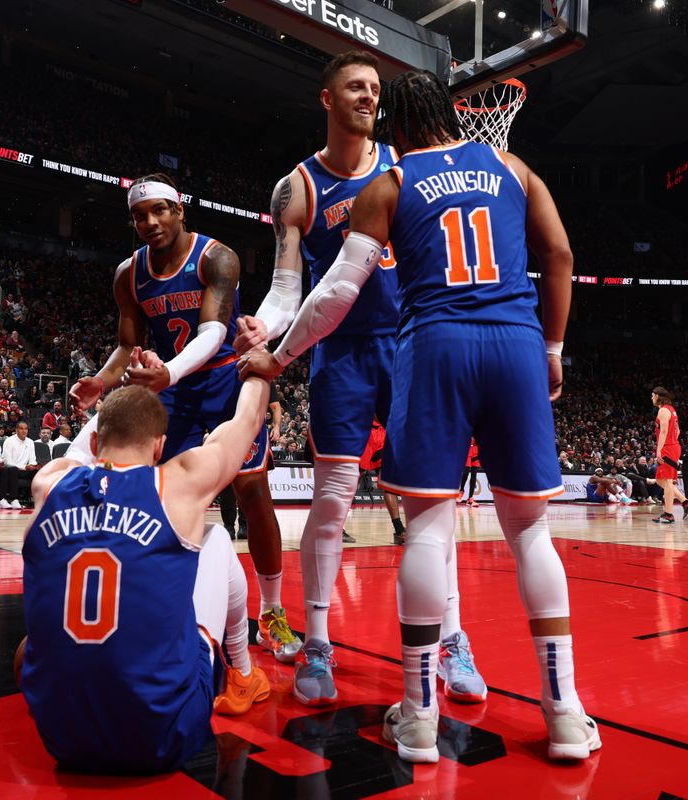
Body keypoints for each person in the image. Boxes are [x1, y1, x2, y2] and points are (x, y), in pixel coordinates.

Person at [240, 69, 600, 762]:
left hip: (429, 346)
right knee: (528, 532)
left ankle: (421, 713)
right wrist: (553, 349)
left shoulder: (393, 181)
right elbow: (558, 254)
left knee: (429, 527)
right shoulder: (508, 163)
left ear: (396, 123)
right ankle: (564, 712)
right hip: (506, 344)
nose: (369, 104)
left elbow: (338, 289)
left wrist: (277, 358)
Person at [234, 51, 484, 707]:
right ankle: (317, 644)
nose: (370, 97)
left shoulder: (406, 164)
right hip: (339, 350)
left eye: (376, 88)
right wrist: (262, 327)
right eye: (356, 87)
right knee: (332, 497)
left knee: (430, 504)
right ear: (326, 98)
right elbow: (288, 289)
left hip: (410, 345)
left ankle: (452, 639)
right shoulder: (297, 188)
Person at [68, 173, 300, 664]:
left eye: (159, 211)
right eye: (139, 214)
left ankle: (273, 612)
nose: (149, 222)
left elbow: (214, 331)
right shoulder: (128, 274)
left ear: (179, 212)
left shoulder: (216, 257)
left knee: (252, 492)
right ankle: (167, 603)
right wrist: (101, 381)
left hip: (223, 380)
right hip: (171, 390)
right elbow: (128, 346)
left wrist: (167, 373)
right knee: (162, 497)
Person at [18, 383, 271, 773]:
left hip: (61, 741)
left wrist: (119, 389)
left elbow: (79, 455)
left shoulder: (48, 483)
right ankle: (243, 673)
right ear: (159, 445)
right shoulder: (177, 483)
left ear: (98, 436)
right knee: (216, 538)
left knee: (28, 648)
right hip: (164, 736)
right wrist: (258, 367)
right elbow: (247, 420)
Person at [651, 387, 688, 523]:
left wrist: (659, 450)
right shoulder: (671, 409)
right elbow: (678, 431)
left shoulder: (663, 410)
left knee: (667, 481)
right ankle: (686, 502)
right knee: (660, 480)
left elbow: (663, 432)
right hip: (672, 446)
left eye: (652, 396)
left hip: (668, 448)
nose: (651, 398)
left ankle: (668, 514)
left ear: (658, 396)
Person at [0, 421, 37, 509]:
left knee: (37, 471)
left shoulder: (30, 442)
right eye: (21, 428)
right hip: (11, 469)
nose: (24, 431)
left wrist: (32, 465)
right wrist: (24, 467)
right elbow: (7, 462)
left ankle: (36, 499)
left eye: (26, 429)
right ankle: (14, 499)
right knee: (13, 469)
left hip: (25, 470)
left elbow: (33, 459)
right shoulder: (9, 441)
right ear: (16, 430)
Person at [458, 438, 480, 508]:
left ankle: (470, 499)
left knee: (474, 475)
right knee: (466, 471)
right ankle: (461, 491)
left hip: (476, 449)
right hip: (468, 447)